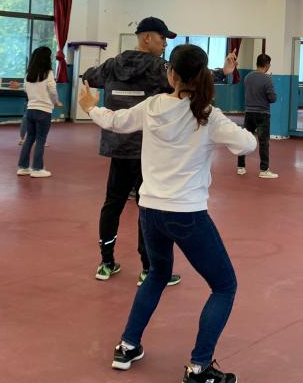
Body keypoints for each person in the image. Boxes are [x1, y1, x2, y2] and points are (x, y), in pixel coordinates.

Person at [79, 44, 256, 383]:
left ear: (171, 75)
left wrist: (90, 107)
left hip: (150, 212)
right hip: (187, 214)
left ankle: (128, 346)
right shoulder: (208, 116)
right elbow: (247, 144)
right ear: (203, 76)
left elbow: (115, 121)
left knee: (158, 274)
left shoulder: (153, 106)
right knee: (224, 286)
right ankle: (199, 369)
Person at [83, 17, 235, 285]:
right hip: (146, 150)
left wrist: (103, 97)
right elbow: (192, 78)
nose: (165, 44)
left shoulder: (112, 64)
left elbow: (89, 77)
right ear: (146, 38)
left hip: (118, 146)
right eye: (162, 38)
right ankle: (148, 269)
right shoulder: (159, 67)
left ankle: (106, 262)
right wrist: (222, 72)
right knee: (145, 207)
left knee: (113, 204)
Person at [17, 46, 62, 178]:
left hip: (30, 110)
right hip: (44, 111)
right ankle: (37, 168)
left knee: (29, 138)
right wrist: (56, 102)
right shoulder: (48, 73)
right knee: (41, 140)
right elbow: (52, 91)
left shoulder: (28, 74)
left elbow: (26, 90)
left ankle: (23, 167)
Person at [237, 53, 278, 179]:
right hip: (262, 114)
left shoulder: (248, 77)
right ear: (267, 65)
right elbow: (273, 98)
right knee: (263, 142)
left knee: (244, 139)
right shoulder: (267, 79)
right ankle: (264, 170)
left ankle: (240, 167)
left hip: (249, 113)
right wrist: (268, 82)